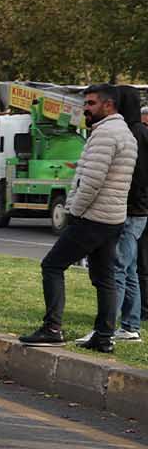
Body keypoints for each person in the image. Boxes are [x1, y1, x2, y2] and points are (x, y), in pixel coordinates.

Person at [20, 84, 138, 352]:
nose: (85, 108)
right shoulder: (124, 133)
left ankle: (52, 328)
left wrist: (74, 211)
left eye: (91, 104)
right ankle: (104, 336)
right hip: (113, 217)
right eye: (85, 103)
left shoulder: (106, 134)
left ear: (108, 106)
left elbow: (92, 181)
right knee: (105, 276)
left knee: (52, 265)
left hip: (93, 217)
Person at [109, 86, 148, 343]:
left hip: (130, 209)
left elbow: (135, 176)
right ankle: (130, 324)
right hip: (139, 209)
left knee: (118, 268)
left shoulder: (131, 135)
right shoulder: (141, 132)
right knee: (130, 268)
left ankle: (108, 326)